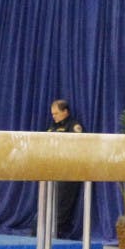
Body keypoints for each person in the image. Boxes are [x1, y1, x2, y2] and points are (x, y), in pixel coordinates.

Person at [47, 99, 83, 238]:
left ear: (65, 112)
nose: (53, 117)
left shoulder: (74, 126)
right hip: (53, 170)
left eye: (56, 113)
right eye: (52, 114)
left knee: (61, 207)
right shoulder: (52, 127)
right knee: (48, 206)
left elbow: (77, 148)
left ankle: (56, 235)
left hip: (68, 172)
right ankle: (40, 233)